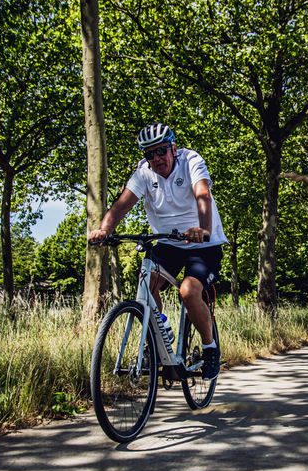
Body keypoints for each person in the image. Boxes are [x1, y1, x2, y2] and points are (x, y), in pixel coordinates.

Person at [89, 123, 227, 380]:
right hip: (168, 243)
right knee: (147, 282)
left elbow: (203, 194)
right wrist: (104, 230)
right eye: (149, 153)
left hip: (203, 244)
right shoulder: (144, 173)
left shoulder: (191, 160)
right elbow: (121, 205)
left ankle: (210, 349)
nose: (156, 158)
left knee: (188, 291)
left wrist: (204, 229)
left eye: (161, 151)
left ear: (173, 148)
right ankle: (159, 333)